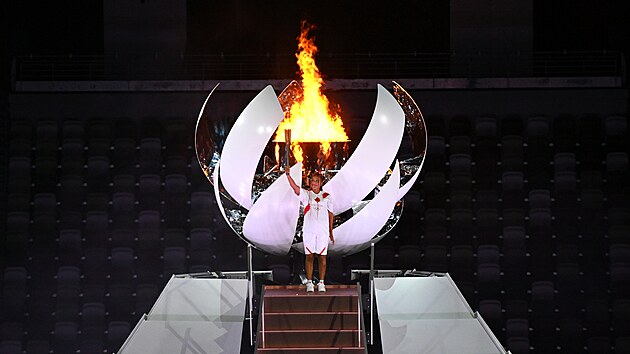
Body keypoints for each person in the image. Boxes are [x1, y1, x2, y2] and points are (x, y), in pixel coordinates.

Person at [285, 165, 334, 292]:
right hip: (309, 231)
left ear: (321, 183)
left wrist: (330, 231)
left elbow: (330, 214)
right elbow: (295, 188)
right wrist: (288, 175)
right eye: (312, 181)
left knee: (322, 257)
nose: (314, 183)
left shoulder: (327, 196)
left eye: (316, 181)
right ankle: (310, 282)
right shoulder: (306, 195)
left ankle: (322, 283)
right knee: (309, 256)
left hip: (322, 231)